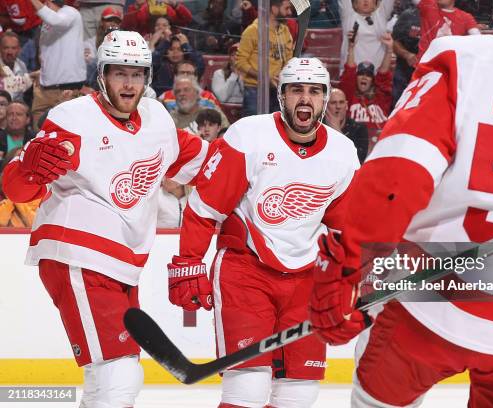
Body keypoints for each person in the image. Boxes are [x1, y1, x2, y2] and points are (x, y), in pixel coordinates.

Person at [309, 0, 493, 406]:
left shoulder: (467, 61)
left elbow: (398, 175)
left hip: (440, 301)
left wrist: (348, 267)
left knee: (378, 397)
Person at [1, 30, 209, 407]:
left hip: (121, 265)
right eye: (119, 73)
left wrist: (259, 160)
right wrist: (27, 171)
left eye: (136, 74)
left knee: (104, 375)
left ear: (146, 77)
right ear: (102, 75)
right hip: (77, 253)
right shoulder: (73, 118)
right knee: (121, 371)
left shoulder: (156, 119)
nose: (128, 83)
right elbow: (18, 190)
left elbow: (207, 164)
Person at [167, 57, 359, 407]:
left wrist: (352, 276)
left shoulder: (343, 152)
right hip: (246, 272)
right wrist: (188, 260)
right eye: (296, 90)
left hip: (306, 281)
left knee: (299, 394)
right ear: (281, 96)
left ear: (326, 98)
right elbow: (205, 206)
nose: (305, 99)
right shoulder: (249, 135)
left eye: (314, 91)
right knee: (248, 389)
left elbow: (346, 228)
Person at [30, 0, 87, 128]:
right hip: (44, 89)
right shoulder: (47, 21)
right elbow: (46, 52)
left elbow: (55, 20)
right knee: (38, 136)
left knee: (67, 134)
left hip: (66, 90)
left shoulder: (71, 13)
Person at [235, 0, 294, 116]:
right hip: (254, 91)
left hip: (277, 90)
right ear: (274, 9)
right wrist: (266, 77)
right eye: (286, 8)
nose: (290, 12)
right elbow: (240, 62)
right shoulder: (253, 30)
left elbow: (289, 60)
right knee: (253, 130)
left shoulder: (285, 31)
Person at [414, 0, 480, 61]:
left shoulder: (466, 17)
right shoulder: (428, 7)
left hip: (451, 66)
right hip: (426, 65)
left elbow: (478, 40)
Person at [339, 0, 395, 69]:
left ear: (375, 3)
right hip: (351, 72)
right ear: (355, 4)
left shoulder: (381, 15)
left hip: (377, 72)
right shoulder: (348, 16)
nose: (365, 1)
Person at [324, 88, 368, 163]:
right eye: (333, 103)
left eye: (341, 102)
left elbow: (359, 159)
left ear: (346, 105)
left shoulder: (359, 129)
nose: (338, 106)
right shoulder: (317, 128)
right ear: (325, 107)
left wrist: (337, 131)